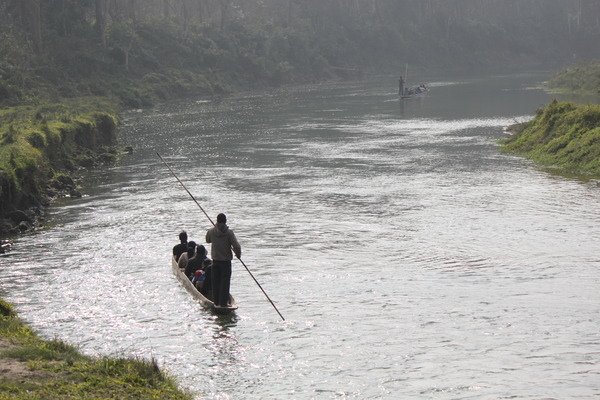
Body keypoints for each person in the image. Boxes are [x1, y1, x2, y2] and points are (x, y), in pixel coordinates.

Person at [206, 213, 241, 307]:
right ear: (225, 221)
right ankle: (223, 303)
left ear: (217, 221)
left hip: (215, 261)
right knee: (225, 283)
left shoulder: (211, 231)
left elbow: (207, 240)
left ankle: (216, 303)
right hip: (225, 263)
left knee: (215, 282)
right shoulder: (229, 233)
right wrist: (238, 255)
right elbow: (236, 246)